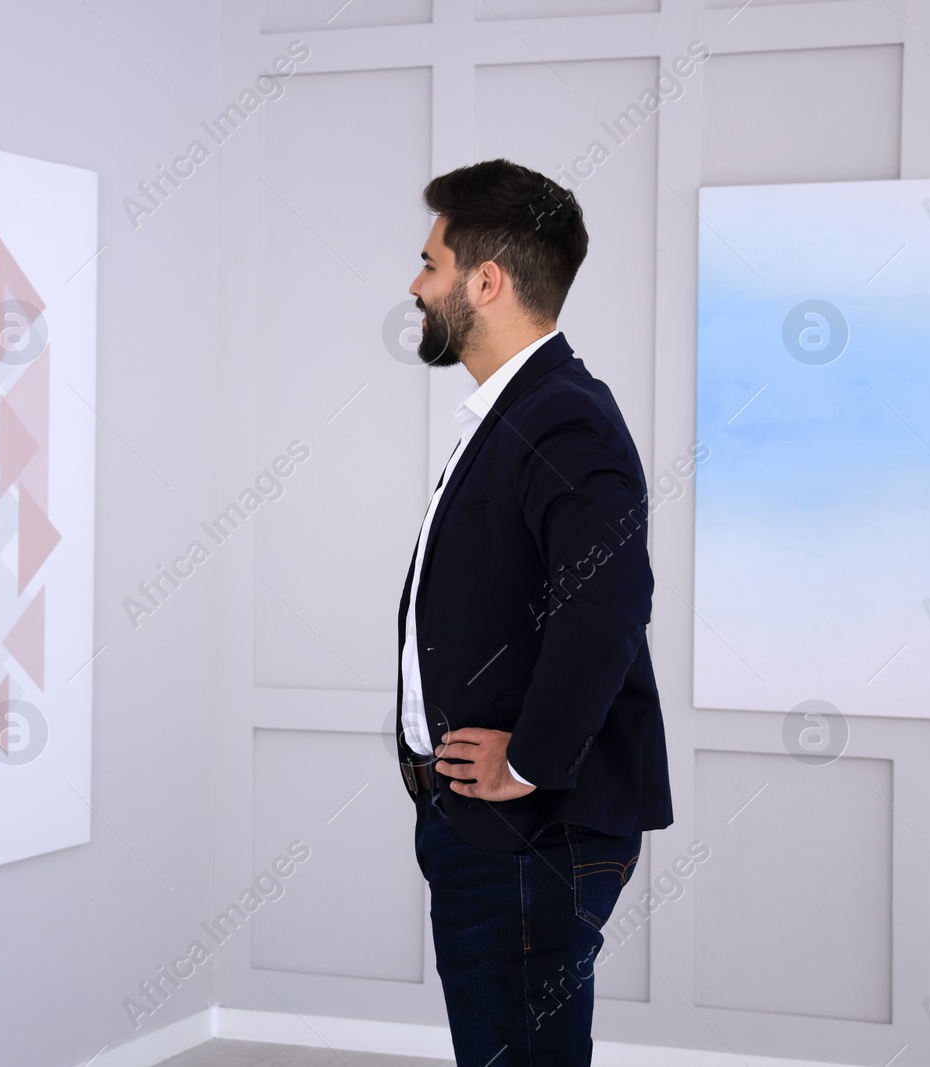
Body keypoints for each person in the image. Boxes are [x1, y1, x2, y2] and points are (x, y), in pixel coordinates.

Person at [395, 159, 674, 1066]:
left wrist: (530, 758)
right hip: (488, 822)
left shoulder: (561, 416)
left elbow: (612, 596)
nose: (415, 283)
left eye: (430, 263)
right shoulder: (520, 410)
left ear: (486, 280)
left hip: (529, 828)